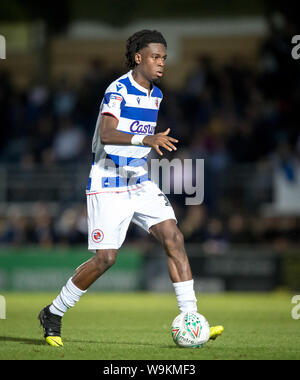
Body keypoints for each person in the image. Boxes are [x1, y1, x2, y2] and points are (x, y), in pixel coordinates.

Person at [38, 30, 224, 347]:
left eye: (164, 57)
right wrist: (146, 139)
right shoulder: (117, 90)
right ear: (138, 58)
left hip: (138, 178)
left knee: (173, 237)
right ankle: (53, 312)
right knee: (106, 259)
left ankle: (191, 319)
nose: (161, 63)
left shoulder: (157, 94)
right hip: (107, 178)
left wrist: (146, 147)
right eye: (155, 56)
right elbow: (108, 133)